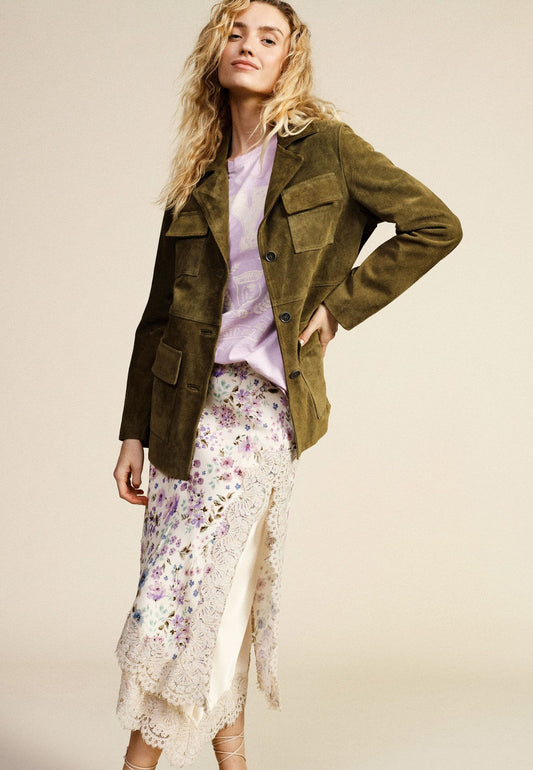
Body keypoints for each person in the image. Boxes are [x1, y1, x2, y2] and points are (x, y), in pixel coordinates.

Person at [113, 0, 462, 767]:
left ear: (288, 57)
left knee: (196, 592)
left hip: (262, 410)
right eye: (235, 33)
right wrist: (133, 431)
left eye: (266, 37)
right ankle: (232, 757)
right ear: (215, 52)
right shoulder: (198, 174)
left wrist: (340, 306)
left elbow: (435, 224)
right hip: (181, 413)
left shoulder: (325, 149)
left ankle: (139, 761)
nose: (248, 45)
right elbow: (156, 316)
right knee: (197, 591)